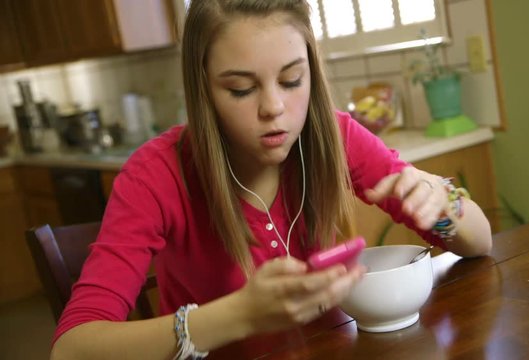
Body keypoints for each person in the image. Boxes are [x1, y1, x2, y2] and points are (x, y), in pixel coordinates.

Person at [50, 0, 492, 358]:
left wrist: (443, 204)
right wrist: (238, 315)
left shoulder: (332, 135)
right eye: (241, 89)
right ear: (202, 88)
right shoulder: (155, 176)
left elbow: (481, 241)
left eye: (292, 79)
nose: (274, 108)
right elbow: (72, 348)